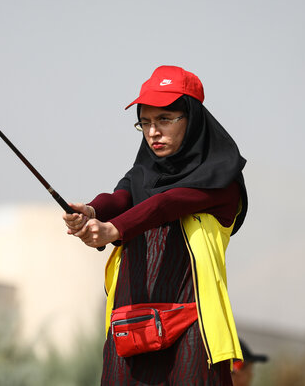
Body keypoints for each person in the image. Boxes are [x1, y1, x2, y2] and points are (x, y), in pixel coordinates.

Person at [63, 65, 248, 385]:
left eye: (164, 119)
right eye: (145, 122)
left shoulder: (221, 179)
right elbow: (119, 197)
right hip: (131, 328)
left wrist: (112, 230)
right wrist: (91, 211)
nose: (153, 132)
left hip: (193, 331)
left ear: (192, 120)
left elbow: (166, 204)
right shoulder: (142, 174)